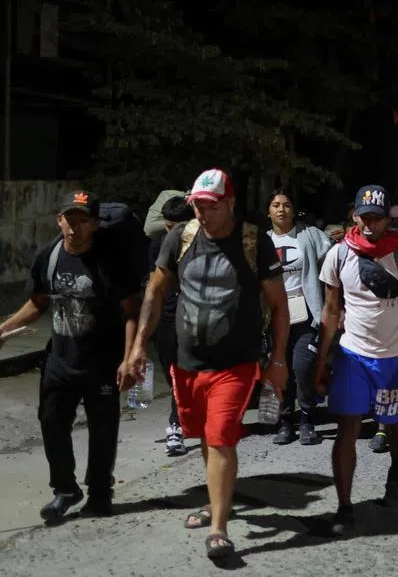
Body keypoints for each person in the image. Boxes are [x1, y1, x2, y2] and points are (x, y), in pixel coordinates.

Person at [128, 169, 288, 561]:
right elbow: (155, 290)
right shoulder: (180, 237)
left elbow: (280, 305)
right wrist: (137, 347)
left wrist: (279, 359)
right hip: (187, 361)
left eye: (211, 205)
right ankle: (219, 500)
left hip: (236, 362)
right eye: (198, 204)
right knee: (204, 434)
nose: (202, 212)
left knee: (219, 437)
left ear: (230, 203)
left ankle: (219, 528)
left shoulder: (254, 241)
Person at [0, 190, 142, 522]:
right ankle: (65, 490)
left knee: (102, 428)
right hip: (60, 360)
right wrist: (4, 329)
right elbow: (38, 302)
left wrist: (130, 355)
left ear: (95, 224)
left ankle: (100, 493)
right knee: (51, 422)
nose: (74, 229)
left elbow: (132, 310)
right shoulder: (47, 255)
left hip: (103, 361)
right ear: (59, 220)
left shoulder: (110, 260)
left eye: (83, 222)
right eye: (70, 220)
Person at [314, 185, 398, 535]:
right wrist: (321, 360)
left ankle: (396, 469)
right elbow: (331, 312)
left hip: (396, 357)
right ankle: (344, 506)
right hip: (352, 356)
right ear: (355, 215)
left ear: (387, 220)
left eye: (377, 218)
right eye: (364, 217)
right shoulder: (338, 255)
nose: (369, 224)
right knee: (346, 429)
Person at [266, 192, 333, 445]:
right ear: (268, 212)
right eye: (275, 205)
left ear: (294, 211)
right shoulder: (263, 241)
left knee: (302, 366)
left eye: (286, 205)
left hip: (305, 311)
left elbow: (332, 259)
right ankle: (285, 422)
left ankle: (307, 419)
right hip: (274, 315)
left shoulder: (310, 235)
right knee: (279, 368)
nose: (281, 210)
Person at [149, 194, 195, 456]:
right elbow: (152, 290)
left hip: (196, 319)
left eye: (175, 227)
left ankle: (175, 426)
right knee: (172, 374)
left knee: (184, 373)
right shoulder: (157, 246)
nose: (170, 232)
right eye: (167, 226)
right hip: (166, 318)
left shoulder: (204, 245)